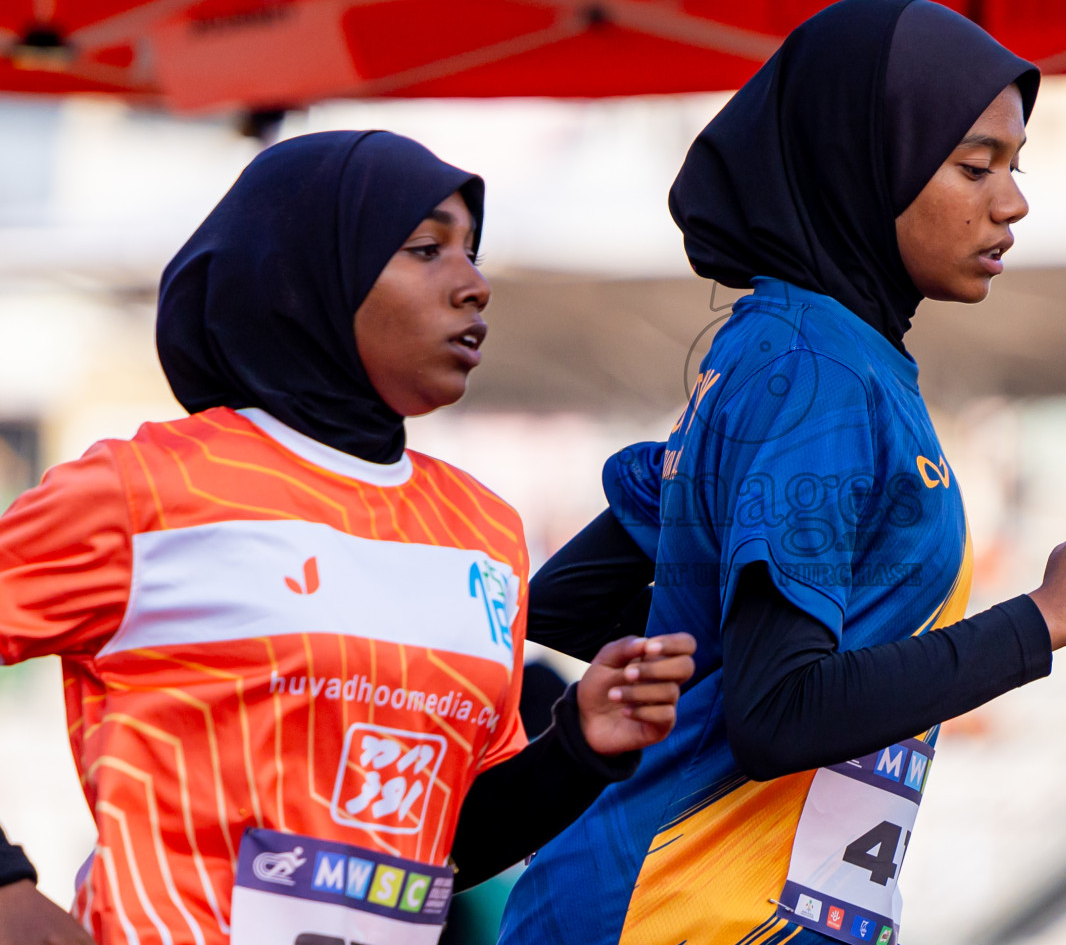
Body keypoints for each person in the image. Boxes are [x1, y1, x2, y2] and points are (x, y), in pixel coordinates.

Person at [498, 0, 1066, 945]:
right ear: (866, 162)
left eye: (1016, 168)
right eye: (974, 166)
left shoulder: (802, 358)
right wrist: (1045, 621)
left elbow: (568, 597)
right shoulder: (817, 374)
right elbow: (780, 714)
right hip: (677, 916)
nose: (1012, 201)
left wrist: (710, 570)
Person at [0, 131, 695, 945]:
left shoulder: (484, 531)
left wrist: (579, 741)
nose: (475, 286)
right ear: (311, 272)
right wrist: (8, 886)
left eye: (474, 252)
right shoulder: (145, 489)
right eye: (427, 248)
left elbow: (440, 851)